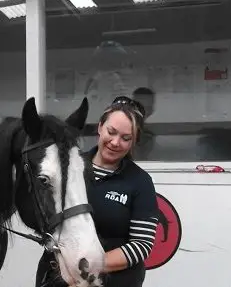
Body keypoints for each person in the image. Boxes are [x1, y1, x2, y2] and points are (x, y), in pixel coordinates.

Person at [35, 96, 160, 287]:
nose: (116, 142)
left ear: (134, 141)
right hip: (57, 278)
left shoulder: (140, 182)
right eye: (111, 132)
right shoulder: (67, 169)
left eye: (126, 138)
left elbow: (142, 245)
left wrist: (89, 266)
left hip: (115, 280)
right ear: (100, 127)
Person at [130, 87, 156, 161]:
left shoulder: (148, 134)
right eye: (141, 107)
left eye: (148, 107)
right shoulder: (125, 131)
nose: (144, 111)